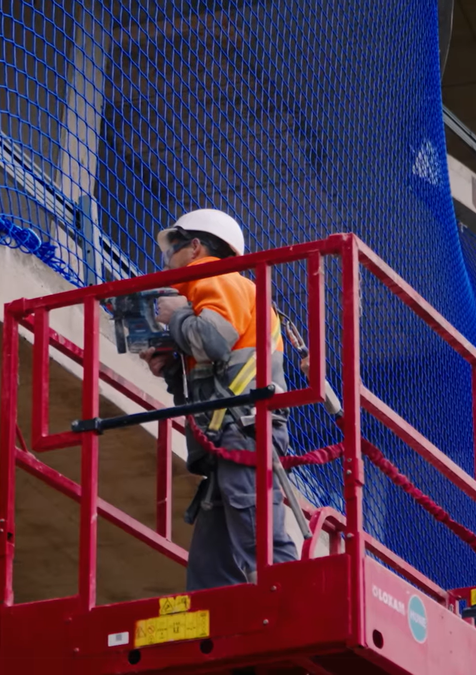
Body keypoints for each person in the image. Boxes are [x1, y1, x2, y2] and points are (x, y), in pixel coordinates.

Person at [141, 208, 298, 592]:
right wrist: (172, 365)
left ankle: (288, 600)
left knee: (255, 530)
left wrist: (177, 318)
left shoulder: (217, 278)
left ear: (195, 247)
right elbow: (213, 373)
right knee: (213, 559)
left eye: (173, 248)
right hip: (230, 432)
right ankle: (225, 615)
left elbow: (212, 340)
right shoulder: (213, 293)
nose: (168, 260)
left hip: (243, 429)